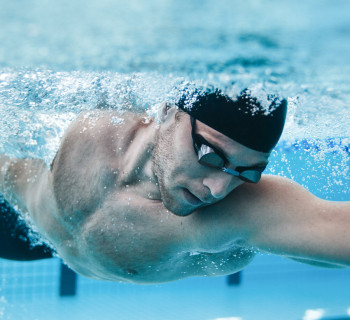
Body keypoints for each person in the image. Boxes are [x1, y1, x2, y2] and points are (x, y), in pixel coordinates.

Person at [0, 89, 349, 283]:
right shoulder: (96, 120)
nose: (217, 188)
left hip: (40, 244)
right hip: (15, 219)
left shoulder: (235, 215)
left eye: (246, 172)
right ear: (168, 111)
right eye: (210, 154)